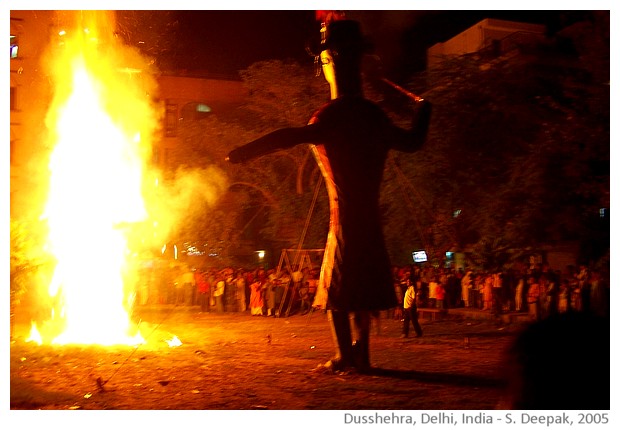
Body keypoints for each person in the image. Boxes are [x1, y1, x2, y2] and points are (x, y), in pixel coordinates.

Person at [226, 19, 431, 372]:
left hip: (345, 219)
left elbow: (288, 136)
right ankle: (361, 355)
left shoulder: (332, 116)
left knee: (338, 290)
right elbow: (413, 142)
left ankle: (343, 356)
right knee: (363, 293)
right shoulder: (374, 117)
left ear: (328, 63)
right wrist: (424, 113)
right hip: (370, 222)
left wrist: (246, 151)